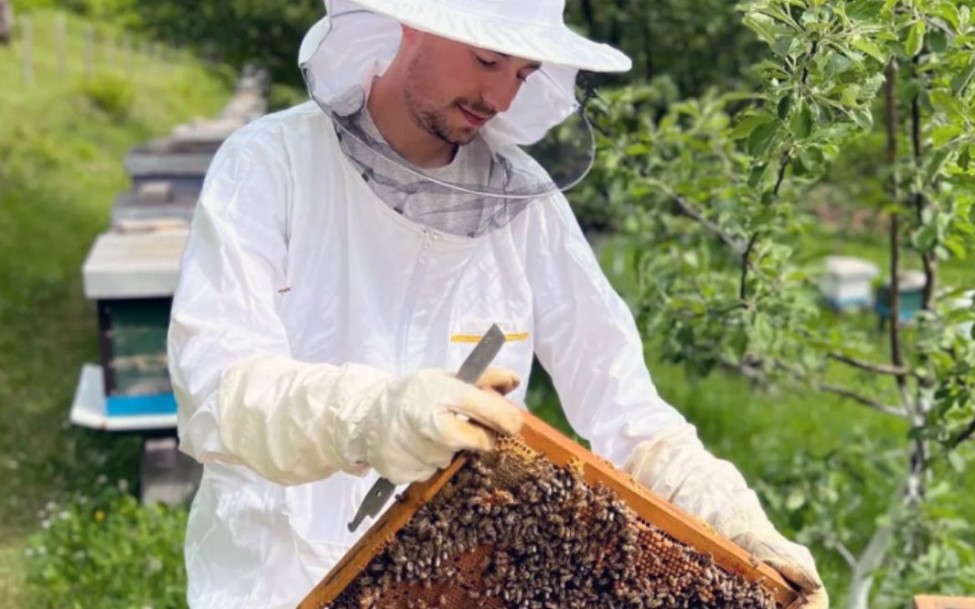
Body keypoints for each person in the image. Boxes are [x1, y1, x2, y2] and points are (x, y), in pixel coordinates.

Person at [167, 1, 829, 607]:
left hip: (459, 585)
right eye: (486, 59)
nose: (499, 94)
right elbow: (216, 391)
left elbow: (627, 408)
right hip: (275, 580)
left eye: (524, 70)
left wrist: (735, 522)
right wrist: (373, 415)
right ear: (412, 21)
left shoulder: (527, 207)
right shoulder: (269, 166)